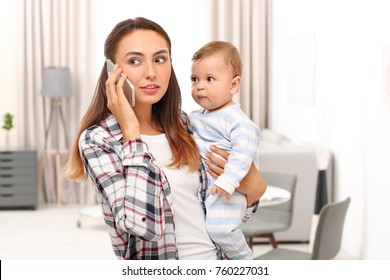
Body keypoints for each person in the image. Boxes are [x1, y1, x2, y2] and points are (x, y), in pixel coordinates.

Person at [64, 17, 266, 260]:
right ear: (111, 70)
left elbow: (222, 206)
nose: (151, 72)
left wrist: (255, 191)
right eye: (135, 61)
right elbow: (142, 226)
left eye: (160, 59)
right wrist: (131, 131)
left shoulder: (184, 124)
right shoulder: (99, 140)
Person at [188, 41, 261, 260]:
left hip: (228, 190)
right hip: (209, 188)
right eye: (195, 79)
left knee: (221, 230)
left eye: (210, 79)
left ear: (233, 85)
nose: (200, 86)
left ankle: (244, 262)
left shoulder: (237, 120)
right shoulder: (198, 116)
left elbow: (243, 153)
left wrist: (228, 180)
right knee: (208, 228)